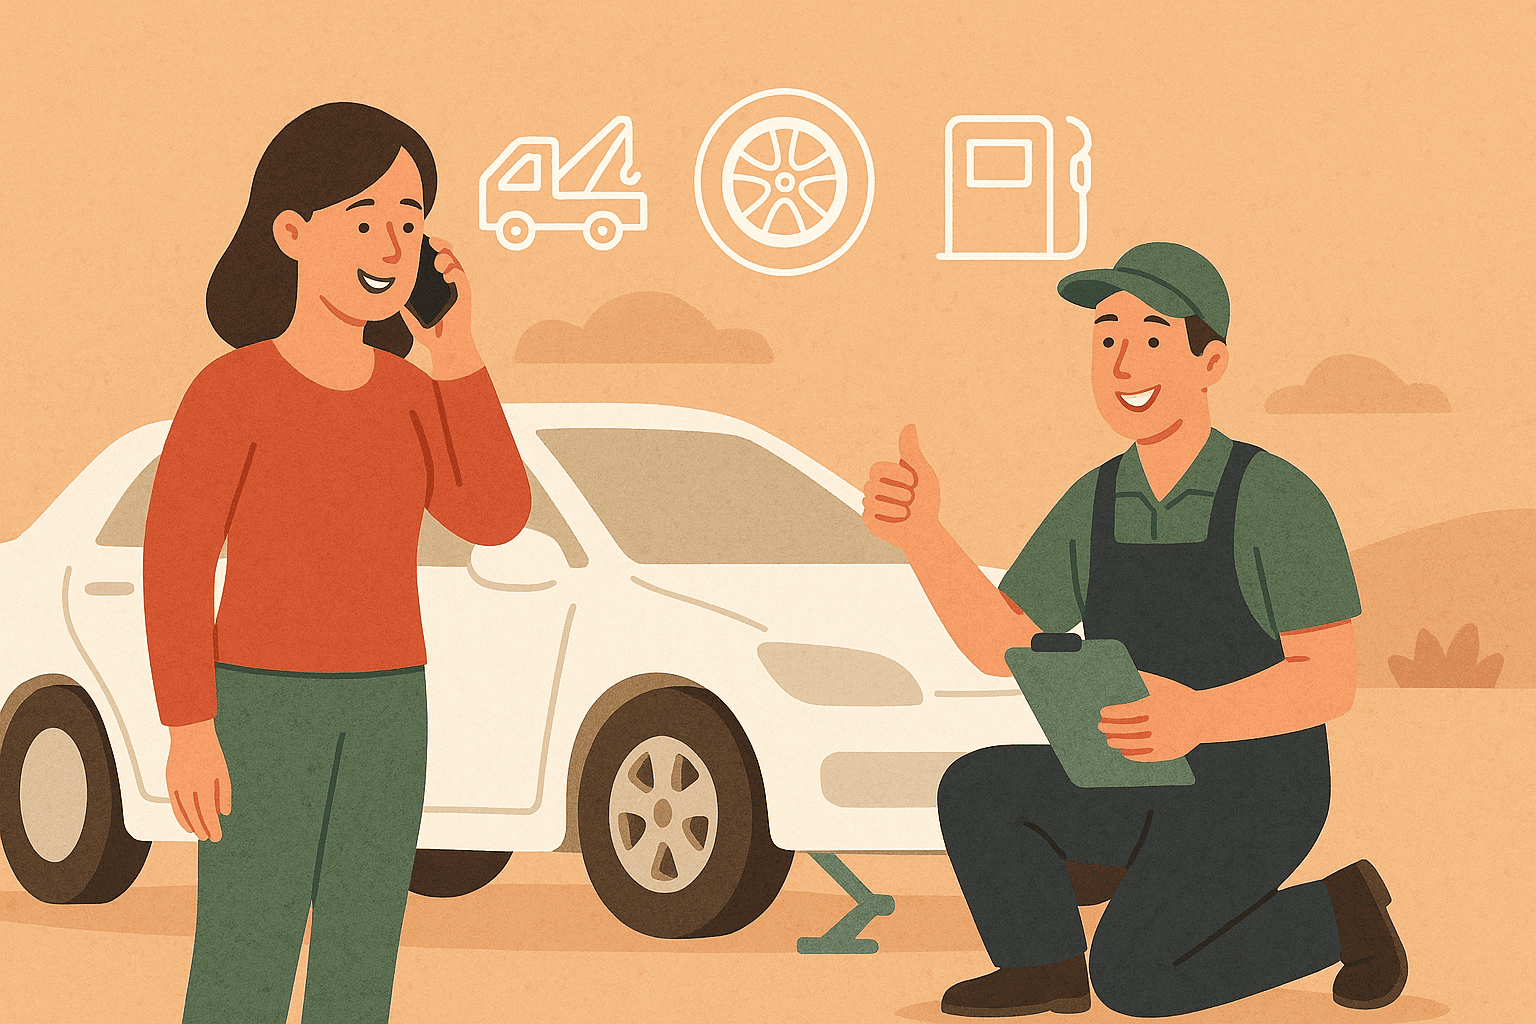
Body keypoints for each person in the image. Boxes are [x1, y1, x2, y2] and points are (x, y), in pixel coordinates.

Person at [862, 242, 1408, 1018]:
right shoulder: (1094, 500)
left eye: (1151, 339)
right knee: (979, 788)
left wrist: (1199, 716)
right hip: (1134, 777)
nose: (1123, 364)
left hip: (1257, 791)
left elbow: (1330, 678)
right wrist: (924, 537)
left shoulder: (1276, 497)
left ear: (1210, 360)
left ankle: (1338, 911)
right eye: (1107, 336)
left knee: (1138, 978)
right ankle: (1045, 965)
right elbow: (999, 643)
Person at [144, 102, 532, 1023]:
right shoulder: (230, 392)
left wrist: (457, 348)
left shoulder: (407, 392)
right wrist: (191, 727)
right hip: (262, 705)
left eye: (409, 221)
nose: (393, 244)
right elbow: (176, 562)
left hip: (390, 707)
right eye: (366, 219)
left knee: (362, 962)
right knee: (247, 949)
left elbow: (495, 514)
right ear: (291, 231)